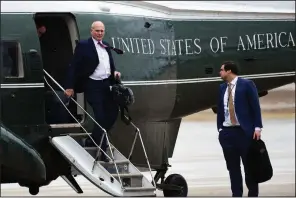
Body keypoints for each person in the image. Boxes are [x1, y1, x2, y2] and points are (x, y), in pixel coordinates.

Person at [64, 21, 121, 162]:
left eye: (102, 31)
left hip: (106, 84)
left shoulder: (106, 45)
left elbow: (108, 64)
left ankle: (93, 139)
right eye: (97, 31)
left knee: (113, 114)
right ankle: (103, 151)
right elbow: (74, 67)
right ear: (91, 31)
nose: (100, 33)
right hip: (92, 85)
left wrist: (114, 73)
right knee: (100, 117)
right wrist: (69, 86)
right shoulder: (84, 46)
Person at [216, 61, 263, 197]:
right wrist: (220, 129)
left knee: (249, 167)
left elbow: (255, 107)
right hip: (227, 133)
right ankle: (236, 194)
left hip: (244, 132)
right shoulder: (221, 88)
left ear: (229, 71)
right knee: (233, 168)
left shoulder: (247, 85)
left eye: (222, 70)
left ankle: (253, 194)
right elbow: (220, 110)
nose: (220, 72)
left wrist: (257, 127)